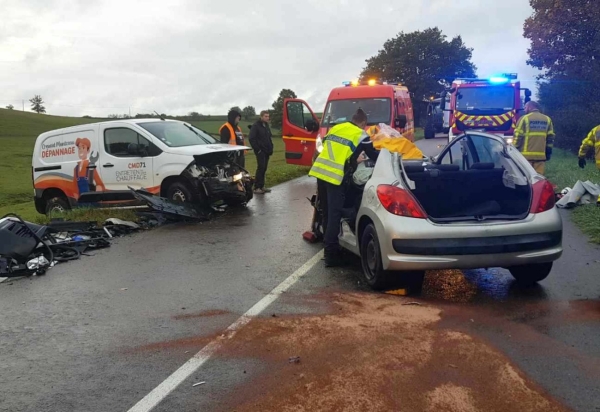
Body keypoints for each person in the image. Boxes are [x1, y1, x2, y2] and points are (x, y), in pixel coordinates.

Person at [309, 108, 379, 267]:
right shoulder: (361, 134)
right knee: (335, 215)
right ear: (363, 123)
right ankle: (331, 256)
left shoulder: (337, 128)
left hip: (321, 172)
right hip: (335, 176)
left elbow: (331, 148)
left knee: (326, 213)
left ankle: (328, 250)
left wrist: (352, 160)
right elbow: (374, 155)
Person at [513, 101, 555, 175]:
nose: (524, 110)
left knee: (526, 178)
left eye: (525, 107)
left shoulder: (524, 119)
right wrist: (548, 151)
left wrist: (513, 149)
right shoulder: (547, 119)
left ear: (530, 107)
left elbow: (518, 136)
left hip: (525, 157)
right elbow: (550, 138)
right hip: (540, 157)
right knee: (538, 178)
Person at [248, 110, 274, 194]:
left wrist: (271, 147)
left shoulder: (266, 126)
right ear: (261, 116)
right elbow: (252, 138)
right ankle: (256, 187)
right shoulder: (256, 126)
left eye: (268, 116)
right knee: (260, 167)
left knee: (264, 168)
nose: (267, 118)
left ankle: (262, 186)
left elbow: (268, 137)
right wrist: (257, 149)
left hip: (266, 151)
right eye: (265, 116)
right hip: (260, 151)